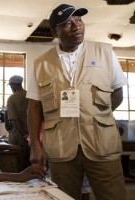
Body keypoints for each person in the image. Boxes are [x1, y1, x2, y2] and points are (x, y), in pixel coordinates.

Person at [27, 4, 128, 200]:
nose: (76, 26)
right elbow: (34, 107)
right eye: (67, 24)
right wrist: (35, 146)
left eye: (78, 20)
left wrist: (97, 117)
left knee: (114, 196)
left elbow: (117, 93)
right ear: (54, 31)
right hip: (61, 147)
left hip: (102, 145)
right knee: (64, 197)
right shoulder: (41, 63)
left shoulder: (104, 52)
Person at [6, 75, 30, 169]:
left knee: (18, 164)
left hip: (19, 136)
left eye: (11, 86)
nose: (11, 88)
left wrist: (24, 135)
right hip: (33, 135)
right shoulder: (30, 96)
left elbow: (15, 120)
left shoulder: (12, 98)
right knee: (29, 162)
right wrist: (30, 137)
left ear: (13, 85)